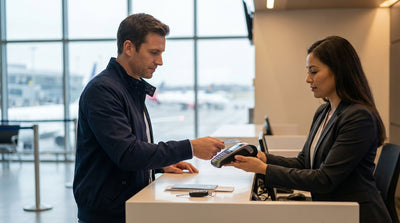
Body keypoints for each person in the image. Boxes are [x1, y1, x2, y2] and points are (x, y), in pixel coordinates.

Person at [73, 13, 225, 223]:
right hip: (107, 214)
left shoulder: (130, 87)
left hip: (129, 206)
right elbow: (128, 153)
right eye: (154, 53)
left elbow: (124, 148)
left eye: (161, 53)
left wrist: (158, 166)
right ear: (128, 47)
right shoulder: (103, 91)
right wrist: (191, 147)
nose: (160, 61)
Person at [227, 36, 392, 223]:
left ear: (339, 71)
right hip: (332, 212)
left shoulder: (358, 117)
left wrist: (264, 169)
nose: (308, 79)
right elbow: (305, 162)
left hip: (356, 215)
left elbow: (325, 179)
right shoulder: (324, 111)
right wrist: (264, 158)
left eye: (313, 72)